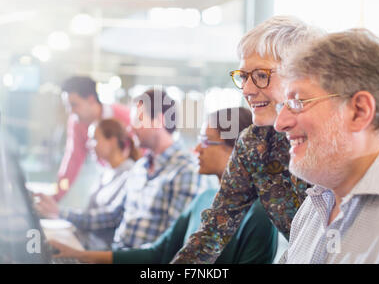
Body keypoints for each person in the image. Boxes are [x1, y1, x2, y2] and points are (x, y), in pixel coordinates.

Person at [171, 16, 323, 264]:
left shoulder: (339, 136)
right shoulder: (254, 143)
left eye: (261, 75)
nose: (247, 90)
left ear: (302, 74)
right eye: (243, 77)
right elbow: (215, 230)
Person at [47, 107, 278, 264]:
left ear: (238, 149)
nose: (197, 149)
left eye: (206, 141)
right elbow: (159, 251)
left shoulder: (258, 214)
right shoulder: (205, 199)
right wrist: (80, 255)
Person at [274, 28, 379, 263]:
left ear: (359, 111)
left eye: (297, 102)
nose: (280, 123)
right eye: (283, 105)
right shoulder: (315, 204)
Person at [51, 88, 211, 253]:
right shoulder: (140, 167)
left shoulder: (186, 171)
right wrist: (60, 213)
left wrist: (90, 256)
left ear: (159, 120)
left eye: (139, 120)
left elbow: (171, 245)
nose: (131, 128)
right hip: (115, 255)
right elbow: (112, 216)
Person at [35, 118, 139, 250]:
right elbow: (89, 215)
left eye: (94, 139)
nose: (89, 144)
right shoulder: (105, 172)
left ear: (112, 141)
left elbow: (106, 218)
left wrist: (60, 212)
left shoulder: (129, 174)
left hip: (99, 250)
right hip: (85, 241)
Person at [55, 76, 132, 201]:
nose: (71, 111)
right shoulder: (76, 122)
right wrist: (56, 196)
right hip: (105, 177)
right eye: (68, 106)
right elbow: (72, 160)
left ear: (91, 100)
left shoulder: (125, 117)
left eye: (74, 105)